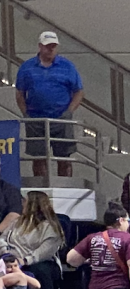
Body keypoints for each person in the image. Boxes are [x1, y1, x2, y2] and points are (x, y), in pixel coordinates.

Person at [15, 32, 83, 179]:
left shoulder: (67, 66)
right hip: (36, 119)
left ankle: (65, 189)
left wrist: (69, 111)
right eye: (47, 46)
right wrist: (26, 114)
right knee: (38, 158)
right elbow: (20, 93)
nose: (51, 49)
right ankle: (41, 189)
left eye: (53, 46)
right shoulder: (27, 68)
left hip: (61, 119)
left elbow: (78, 92)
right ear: (40, 46)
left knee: (64, 158)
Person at [6, 190, 64, 289]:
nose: (22, 204)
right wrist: (7, 253)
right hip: (12, 258)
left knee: (40, 269)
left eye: (25, 201)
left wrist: (25, 260)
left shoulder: (51, 227)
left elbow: (44, 251)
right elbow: (3, 239)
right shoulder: (16, 222)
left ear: (33, 204)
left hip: (42, 262)